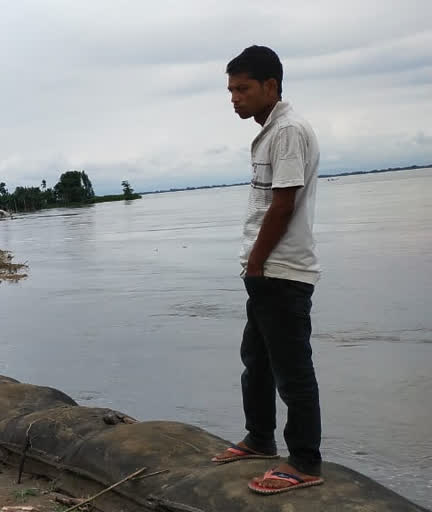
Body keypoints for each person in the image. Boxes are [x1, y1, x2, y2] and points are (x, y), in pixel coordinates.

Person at [211, 46, 323, 495]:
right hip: (264, 269)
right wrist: (253, 266)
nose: (234, 98)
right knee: (256, 361)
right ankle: (259, 438)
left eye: (242, 89)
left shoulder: (289, 131)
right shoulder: (270, 131)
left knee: (292, 369)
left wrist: (256, 264)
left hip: (281, 270)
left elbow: (283, 204)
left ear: (270, 86)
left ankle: (304, 460)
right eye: (231, 90)